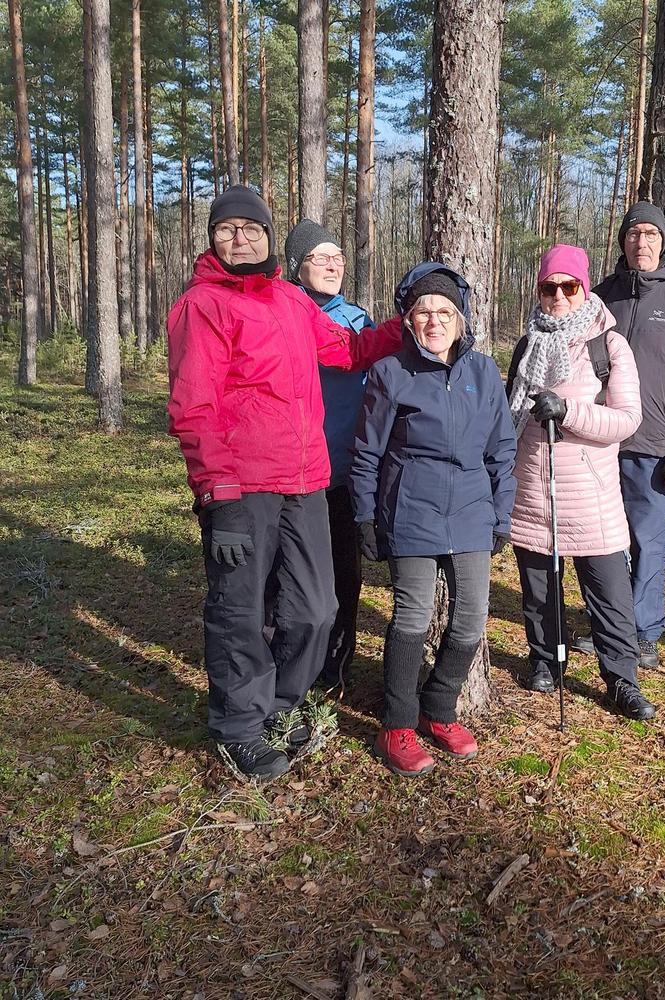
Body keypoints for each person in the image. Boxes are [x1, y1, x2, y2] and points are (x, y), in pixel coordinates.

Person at [166, 185, 402, 782]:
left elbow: (347, 350)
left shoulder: (292, 301)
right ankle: (238, 728)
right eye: (227, 230)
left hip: (306, 482)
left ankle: (277, 704)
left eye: (252, 228)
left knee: (317, 608)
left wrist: (408, 326)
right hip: (241, 487)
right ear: (213, 240)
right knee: (240, 610)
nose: (240, 238)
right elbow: (193, 407)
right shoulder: (202, 305)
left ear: (269, 237)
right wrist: (217, 496)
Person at [350, 263, 516, 778]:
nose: (434, 321)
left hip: (471, 510)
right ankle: (397, 724)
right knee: (413, 615)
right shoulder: (390, 373)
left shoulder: (484, 373)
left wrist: (501, 515)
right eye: (423, 312)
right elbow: (366, 453)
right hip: (411, 511)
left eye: (445, 312)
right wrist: (365, 515)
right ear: (409, 320)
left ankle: (439, 708)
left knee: (472, 616)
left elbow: (502, 450)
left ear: (460, 319)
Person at [507, 243, 656, 721]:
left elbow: (627, 419)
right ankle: (546, 660)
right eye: (549, 287)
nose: (558, 296)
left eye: (568, 286)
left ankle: (622, 679)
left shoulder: (607, 345)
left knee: (610, 596)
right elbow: (510, 418)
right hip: (534, 492)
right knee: (539, 592)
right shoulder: (527, 344)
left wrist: (568, 411)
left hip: (592, 495)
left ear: (584, 289)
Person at [585, 201, 665, 669]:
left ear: (664, 241)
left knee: (646, 540)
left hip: (653, 443)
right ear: (622, 241)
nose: (641, 242)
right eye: (633, 234)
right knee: (603, 541)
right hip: (599, 439)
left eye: (651, 234)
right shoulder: (599, 298)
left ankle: (643, 630)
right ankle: (609, 625)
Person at [284, 220, 373, 693]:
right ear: (296, 266)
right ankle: (287, 667)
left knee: (344, 575)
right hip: (289, 475)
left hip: (341, 473)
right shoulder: (279, 313)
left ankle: (334, 669)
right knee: (288, 578)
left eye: (338, 257)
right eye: (320, 257)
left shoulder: (358, 322)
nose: (333, 265)